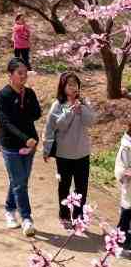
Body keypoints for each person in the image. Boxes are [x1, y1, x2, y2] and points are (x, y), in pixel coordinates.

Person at [42, 71, 95, 229]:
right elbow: (57, 126)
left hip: (82, 153)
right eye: (69, 84)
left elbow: (90, 121)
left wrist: (82, 109)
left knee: (81, 188)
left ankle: (78, 217)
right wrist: (71, 110)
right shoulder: (58, 105)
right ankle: (64, 215)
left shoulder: (84, 102)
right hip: (64, 155)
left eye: (75, 84)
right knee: (64, 187)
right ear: (63, 87)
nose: (73, 88)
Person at [0, 57, 41, 237]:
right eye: (19, 73)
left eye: (25, 73)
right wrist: (24, 138)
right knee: (20, 183)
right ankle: (27, 218)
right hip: (11, 145)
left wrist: (26, 99)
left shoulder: (29, 94)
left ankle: (9, 209)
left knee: (19, 181)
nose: (23, 77)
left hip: (30, 144)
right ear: (10, 75)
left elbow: (36, 114)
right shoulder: (3, 96)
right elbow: (5, 123)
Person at [114, 123, 131, 258]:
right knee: (127, 214)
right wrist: (125, 173)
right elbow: (120, 167)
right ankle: (120, 244)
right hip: (129, 186)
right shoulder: (126, 147)